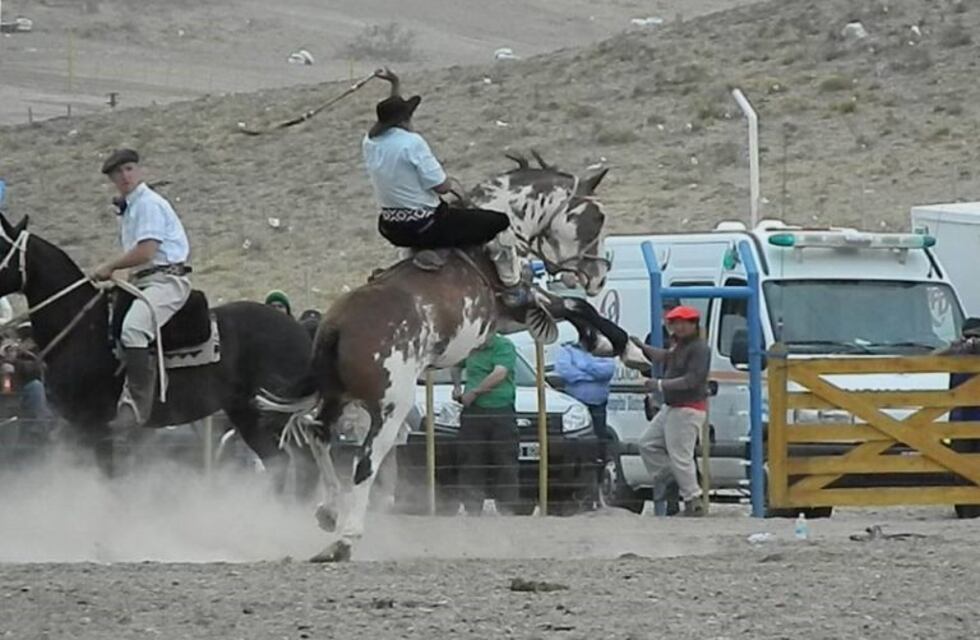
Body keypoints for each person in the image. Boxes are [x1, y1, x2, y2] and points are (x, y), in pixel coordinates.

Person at [362, 68, 529, 307]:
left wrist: (395, 83)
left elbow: (390, 114)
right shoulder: (412, 143)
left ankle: (412, 260)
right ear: (404, 121)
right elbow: (440, 186)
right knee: (499, 223)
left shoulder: (369, 142)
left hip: (391, 227)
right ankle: (512, 286)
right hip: (426, 225)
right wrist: (454, 185)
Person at [92, 148, 191, 433]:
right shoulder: (131, 209)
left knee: (134, 329)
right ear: (111, 179)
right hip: (143, 282)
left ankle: (136, 406)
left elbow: (146, 251)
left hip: (166, 281)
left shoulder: (147, 204)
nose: (124, 176)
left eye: (129, 169)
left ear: (139, 171)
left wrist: (108, 266)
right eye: (118, 172)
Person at [630, 306, 711, 517]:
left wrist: (659, 384)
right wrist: (643, 347)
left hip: (688, 407)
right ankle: (671, 479)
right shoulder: (680, 345)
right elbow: (665, 357)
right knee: (647, 443)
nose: (678, 327)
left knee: (680, 456)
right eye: (674, 323)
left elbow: (692, 380)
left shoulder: (700, 348)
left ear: (694, 324)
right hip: (674, 406)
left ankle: (693, 499)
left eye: (684, 322)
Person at [451, 333, 520, 515]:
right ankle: (472, 507)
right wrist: (457, 386)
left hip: (501, 410)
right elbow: (455, 364)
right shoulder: (468, 346)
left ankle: (507, 507)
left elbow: (500, 373)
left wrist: (475, 392)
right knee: (470, 460)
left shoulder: (503, 346)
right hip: (474, 412)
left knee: (505, 460)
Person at [555, 338, 615, 445]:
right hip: (576, 403)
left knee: (600, 436)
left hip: (598, 404)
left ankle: (600, 458)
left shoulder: (604, 349)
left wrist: (583, 365)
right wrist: (592, 375)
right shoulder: (568, 349)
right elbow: (565, 372)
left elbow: (607, 371)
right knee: (575, 436)